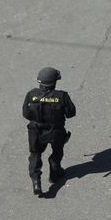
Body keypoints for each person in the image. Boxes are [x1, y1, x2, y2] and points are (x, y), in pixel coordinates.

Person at [21, 67, 76, 197]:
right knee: (57, 152)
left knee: (35, 154)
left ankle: (36, 181)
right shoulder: (62, 96)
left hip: (35, 130)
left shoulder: (31, 94)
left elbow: (26, 113)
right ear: (55, 82)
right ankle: (55, 173)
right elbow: (71, 113)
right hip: (55, 131)